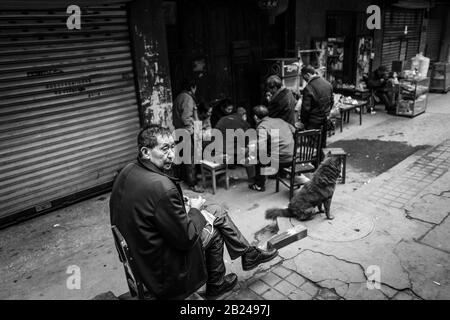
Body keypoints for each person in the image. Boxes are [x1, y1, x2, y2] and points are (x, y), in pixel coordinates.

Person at [110, 125, 278, 300]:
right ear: (145, 152)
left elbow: (150, 206)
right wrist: (195, 210)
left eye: (173, 147)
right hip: (162, 267)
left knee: (216, 210)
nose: (171, 155)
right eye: (164, 149)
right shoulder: (161, 187)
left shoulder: (128, 171)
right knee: (215, 231)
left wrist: (180, 205)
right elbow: (187, 238)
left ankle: (247, 254)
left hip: (143, 251)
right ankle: (219, 283)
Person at [248, 105, 310, 192]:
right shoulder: (280, 120)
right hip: (293, 156)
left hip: (281, 160)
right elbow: (295, 132)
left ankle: (259, 185)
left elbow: (261, 148)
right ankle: (278, 173)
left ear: (255, 117)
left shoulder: (262, 127)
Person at [172, 78, 204, 193]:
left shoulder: (179, 97)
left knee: (185, 157)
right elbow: (186, 118)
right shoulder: (188, 98)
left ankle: (189, 178)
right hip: (186, 131)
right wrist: (193, 132)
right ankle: (193, 184)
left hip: (180, 130)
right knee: (190, 158)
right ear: (192, 87)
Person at [300, 65, 333, 149]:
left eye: (304, 77)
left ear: (307, 75)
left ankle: (315, 162)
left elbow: (305, 109)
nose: (304, 80)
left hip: (313, 123)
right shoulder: (328, 84)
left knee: (313, 148)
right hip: (325, 120)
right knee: (322, 145)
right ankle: (321, 161)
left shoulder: (308, 88)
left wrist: (303, 123)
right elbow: (331, 102)